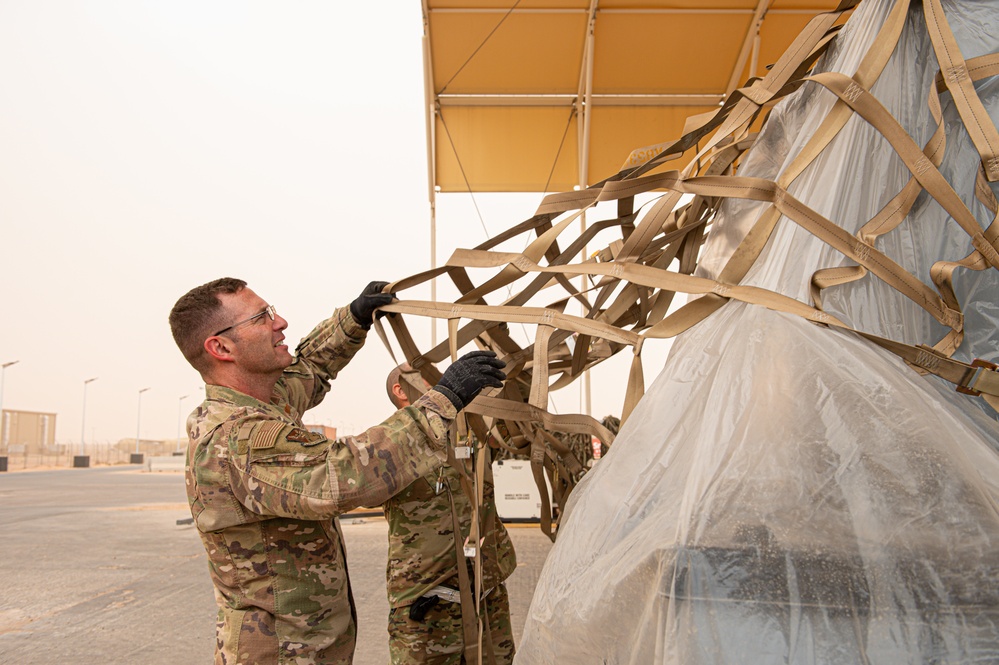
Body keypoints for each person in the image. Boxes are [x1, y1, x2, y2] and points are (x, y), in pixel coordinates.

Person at [168, 277, 506, 665]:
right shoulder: (236, 438)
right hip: (281, 655)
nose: (280, 323)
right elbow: (344, 477)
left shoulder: (261, 404)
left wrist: (353, 319)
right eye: (262, 318)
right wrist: (443, 400)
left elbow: (309, 367)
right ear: (221, 346)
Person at [380, 363, 517, 664]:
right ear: (400, 391)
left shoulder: (469, 430)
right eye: (421, 374)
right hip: (428, 603)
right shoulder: (388, 443)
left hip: (486, 591)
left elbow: (515, 434)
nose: (438, 377)